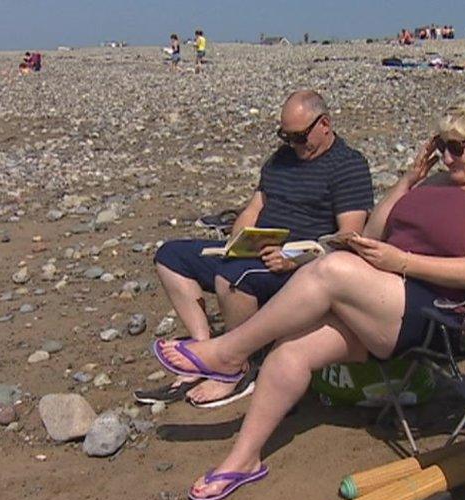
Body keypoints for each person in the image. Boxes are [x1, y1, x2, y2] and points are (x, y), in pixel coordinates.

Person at [154, 94, 465, 500]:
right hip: (389, 299)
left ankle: (227, 353)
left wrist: (401, 261)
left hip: (452, 315)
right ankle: (243, 459)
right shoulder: (439, 181)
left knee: (330, 270)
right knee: (290, 351)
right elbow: (375, 232)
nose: (449, 158)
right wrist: (408, 181)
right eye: (442, 146)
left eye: (458, 147)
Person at [143, 90, 374, 408]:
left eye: (299, 137)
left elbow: (348, 236)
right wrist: (236, 241)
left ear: (324, 124)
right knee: (170, 256)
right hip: (258, 248)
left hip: (300, 263)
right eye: (286, 136)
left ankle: (236, 367)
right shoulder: (281, 159)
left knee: (233, 277)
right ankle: (203, 349)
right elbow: (254, 208)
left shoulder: (348, 165)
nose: (293, 144)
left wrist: (293, 259)